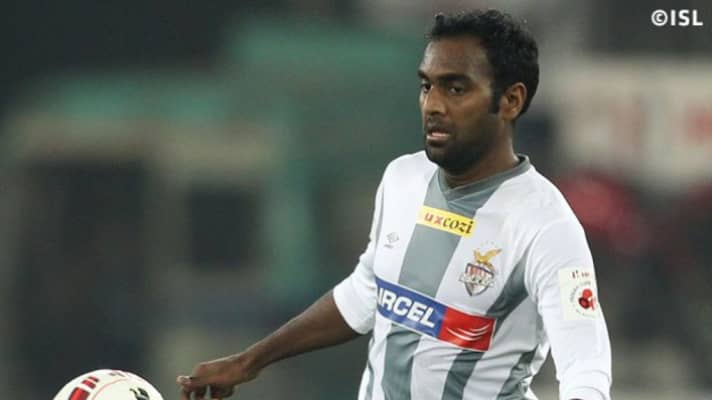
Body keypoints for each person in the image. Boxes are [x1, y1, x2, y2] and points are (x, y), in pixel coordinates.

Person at [177, 9, 611, 400]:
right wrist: (250, 361)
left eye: (456, 88)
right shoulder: (403, 178)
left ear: (510, 100)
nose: (433, 105)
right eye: (426, 86)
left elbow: (585, 369)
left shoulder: (545, 225)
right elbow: (367, 292)